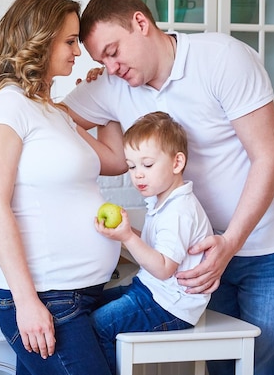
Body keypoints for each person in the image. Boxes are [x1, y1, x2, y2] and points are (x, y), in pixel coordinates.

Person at [0, 0, 274, 375]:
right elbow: (30, 118)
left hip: (271, 239)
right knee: (224, 367)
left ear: (140, 23)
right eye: (99, 57)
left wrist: (229, 243)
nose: (109, 66)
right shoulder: (107, 85)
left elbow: (269, 157)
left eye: (113, 51)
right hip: (196, 250)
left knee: (268, 364)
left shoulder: (222, 59)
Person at [0, 0, 127, 375]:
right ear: (39, 39)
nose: (79, 52)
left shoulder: (53, 111)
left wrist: (106, 93)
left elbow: (114, 160)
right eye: (70, 40)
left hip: (80, 295)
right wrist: (27, 302)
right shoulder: (8, 104)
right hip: (47, 299)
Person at [92, 111, 213, 374]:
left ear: (177, 162)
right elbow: (153, 249)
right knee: (88, 303)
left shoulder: (179, 211)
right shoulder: (163, 202)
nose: (137, 175)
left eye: (147, 165)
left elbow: (163, 268)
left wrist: (126, 237)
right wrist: (125, 233)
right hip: (150, 292)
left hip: (170, 306)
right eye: (132, 166)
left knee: (99, 325)